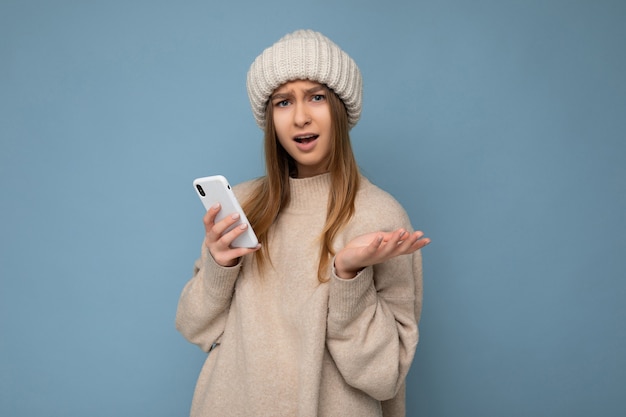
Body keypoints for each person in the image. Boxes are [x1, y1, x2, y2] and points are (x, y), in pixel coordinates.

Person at [176, 29, 430, 417]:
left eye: (316, 97)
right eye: (283, 102)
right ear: (270, 118)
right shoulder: (243, 206)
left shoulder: (379, 215)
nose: (300, 117)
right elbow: (195, 329)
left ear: (341, 108)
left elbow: (384, 376)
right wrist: (219, 266)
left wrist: (349, 276)